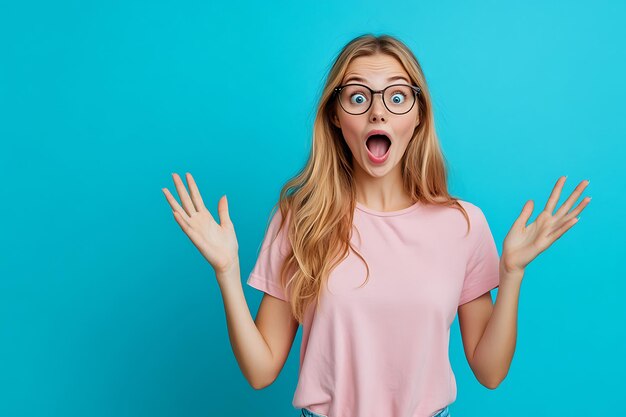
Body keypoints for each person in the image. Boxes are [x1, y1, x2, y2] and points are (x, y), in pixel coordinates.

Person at [161, 33, 591, 417]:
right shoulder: (301, 218)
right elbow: (261, 371)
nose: (378, 114)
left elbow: (490, 372)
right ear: (335, 114)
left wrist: (512, 274)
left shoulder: (463, 225)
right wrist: (227, 273)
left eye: (397, 97)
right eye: (359, 98)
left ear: (418, 115)